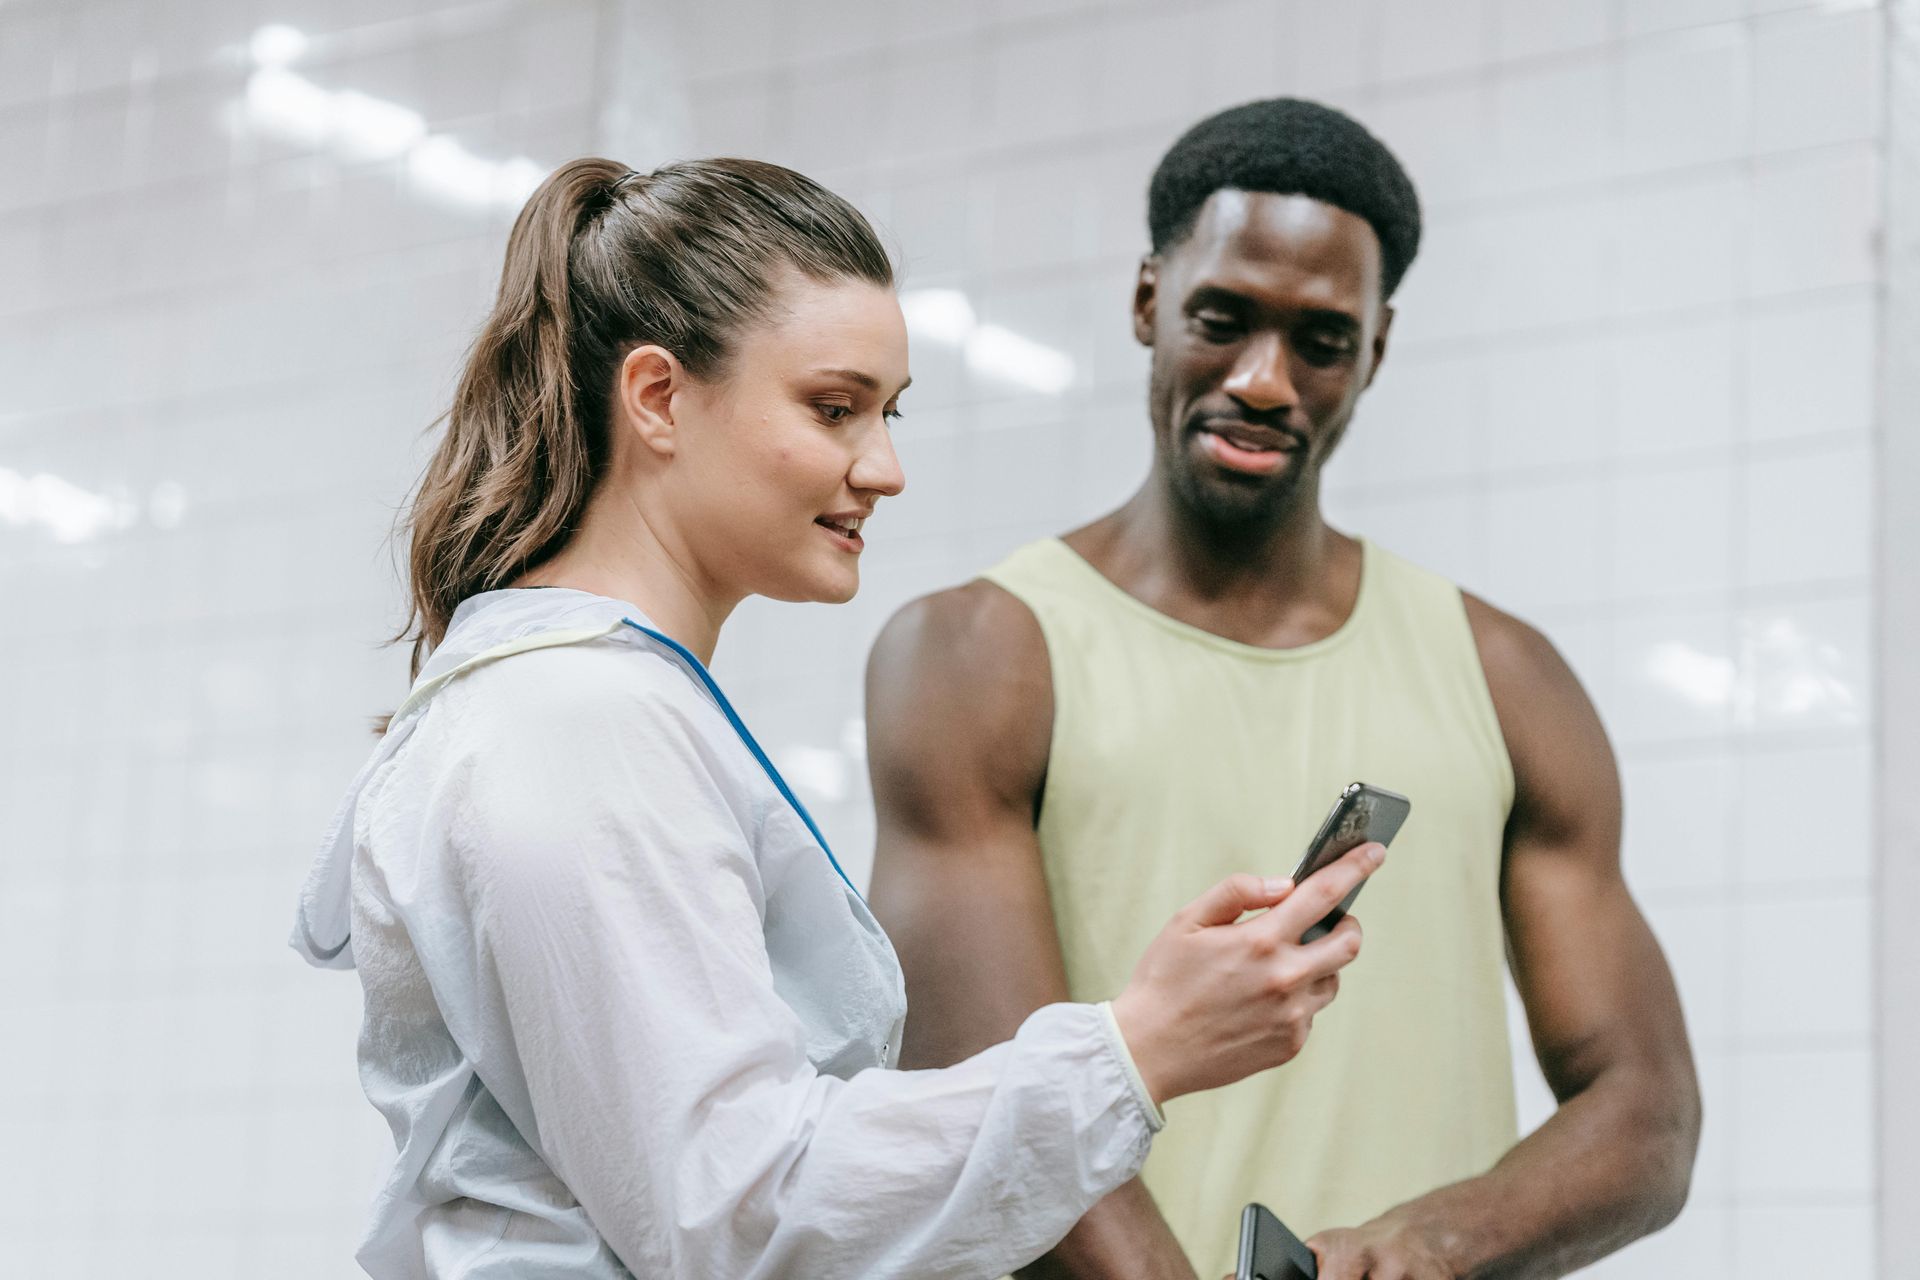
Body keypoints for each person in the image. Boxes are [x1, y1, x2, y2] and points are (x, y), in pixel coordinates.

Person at [289, 155, 1382, 1280]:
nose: (887, 466)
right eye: (835, 408)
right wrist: (1136, 1045)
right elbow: (735, 1206)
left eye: (888, 411)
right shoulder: (572, 719)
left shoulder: (610, 703)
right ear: (660, 398)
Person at [866, 99, 1702, 1280]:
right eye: (1223, 318)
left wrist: (1436, 1238)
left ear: (1376, 350)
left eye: (1320, 340)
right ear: (1151, 299)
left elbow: (1646, 1109)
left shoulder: (1505, 673)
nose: (1263, 380)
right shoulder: (977, 652)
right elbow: (990, 1106)